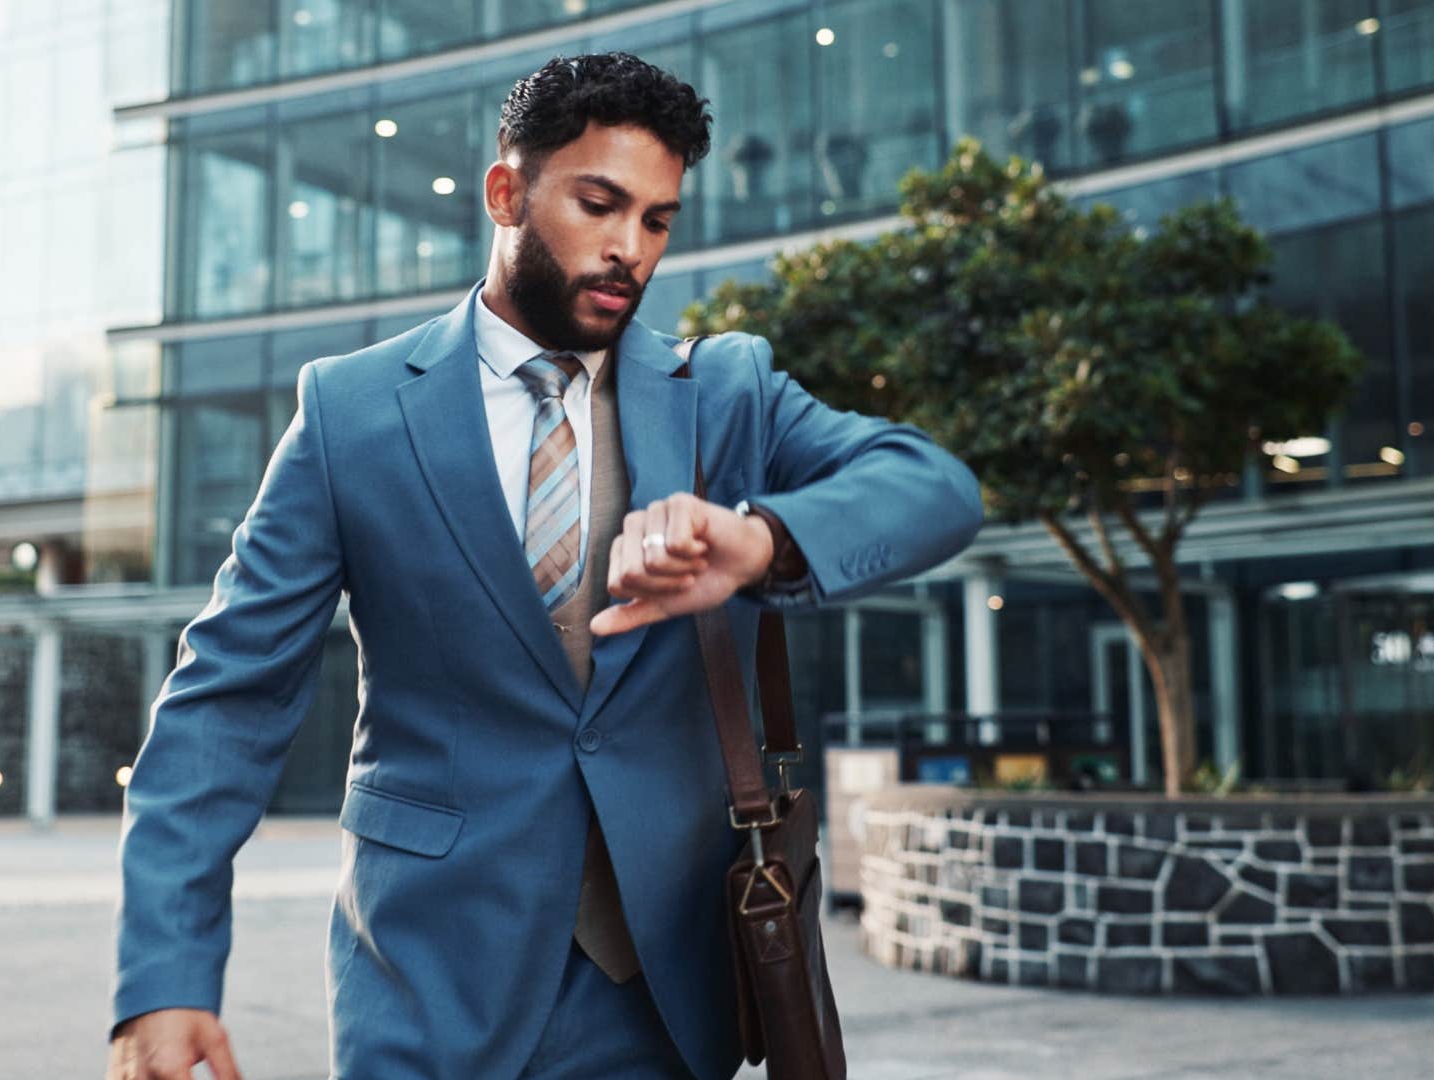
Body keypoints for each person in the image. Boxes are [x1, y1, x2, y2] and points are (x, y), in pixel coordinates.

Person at [106, 51, 983, 1080]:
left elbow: (934, 487)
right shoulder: (352, 412)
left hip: (657, 988)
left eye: (657, 221)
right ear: (506, 191)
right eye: (600, 204)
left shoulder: (728, 389)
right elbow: (225, 703)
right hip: (427, 977)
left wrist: (762, 541)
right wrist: (165, 976)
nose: (628, 250)